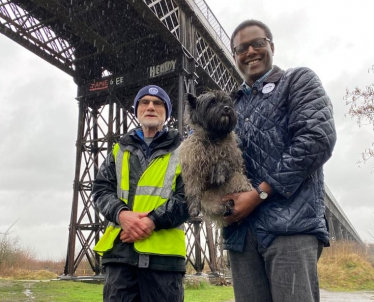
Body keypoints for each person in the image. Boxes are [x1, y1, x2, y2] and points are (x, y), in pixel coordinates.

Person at [223, 19, 337, 302]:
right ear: (235, 56)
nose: (250, 52)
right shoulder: (230, 105)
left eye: (257, 44)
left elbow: (316, 140)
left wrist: (260, 193)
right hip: (242, 234)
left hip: (291, 228)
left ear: (271, 46)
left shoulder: (298, 80)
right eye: (241, 48)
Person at [92, 84, 189, 302]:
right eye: (144, 102)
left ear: (167, 112)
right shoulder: (119, 150)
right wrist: (122, 214)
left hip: (164, 261)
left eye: (158, 103)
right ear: (137, 111)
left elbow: (190, 198)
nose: (150, 107)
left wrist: (152, 221)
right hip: (120, 257)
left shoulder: (184, 151)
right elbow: (100, 189)